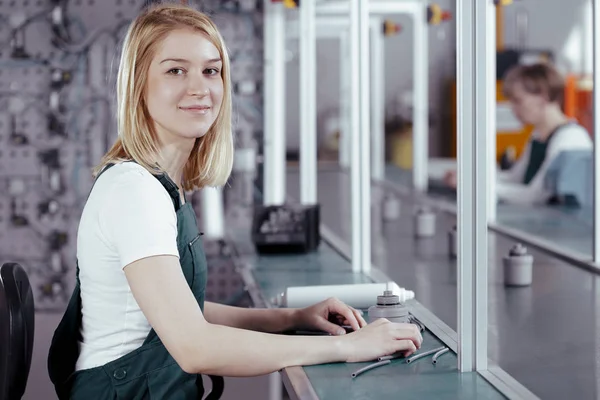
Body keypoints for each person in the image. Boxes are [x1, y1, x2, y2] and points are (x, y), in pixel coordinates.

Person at [47, 4, 423, 399]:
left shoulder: (158, 184)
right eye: (176, 70)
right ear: (139, 85)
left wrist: (291, 318)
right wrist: (346, 347)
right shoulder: (134, 191)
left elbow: (178, 312)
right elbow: (194, 347)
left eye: (211, 70)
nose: (199, 87)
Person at [445, 62, 592, 205]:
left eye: (518, 101)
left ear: (543, 97)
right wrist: (471, 179)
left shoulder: (570, 138)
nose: (513, 109)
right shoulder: (538, 135)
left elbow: (536, 195)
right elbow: (515, 179)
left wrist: (475, 187)